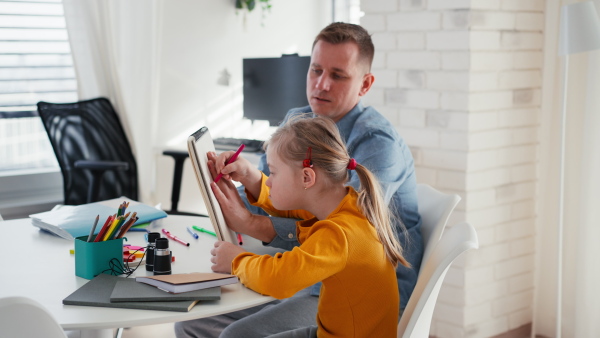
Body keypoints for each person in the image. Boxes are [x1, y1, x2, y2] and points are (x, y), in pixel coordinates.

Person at [175, 22, 423, 338]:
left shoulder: (377, 145)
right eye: (315, 70)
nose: (321, 84)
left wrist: (249, 228)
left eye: (338, 75)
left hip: (350, 298)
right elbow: (297, 209)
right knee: (190, 323)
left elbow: (325, 232)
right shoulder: (298, 121)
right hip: (307, 269)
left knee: (238, 333)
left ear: (365, 84)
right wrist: (254, 181)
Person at [211, 116, 410, 337]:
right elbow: (296, 211)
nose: (269, 181)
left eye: (273, 172)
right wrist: (250, 177)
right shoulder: (347, 205)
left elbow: (278, 279)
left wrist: (236, 261)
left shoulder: (338, 234)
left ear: (307, 177)